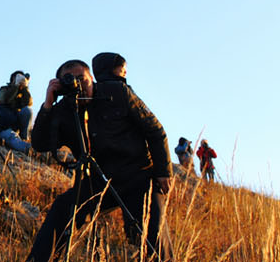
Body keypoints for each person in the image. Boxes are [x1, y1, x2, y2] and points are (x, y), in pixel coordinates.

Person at [28, 54, 172, 262]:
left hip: (138, 175)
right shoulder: (64, 111)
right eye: (70, 80)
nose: (78, 85)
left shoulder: (117, 92)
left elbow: (155, 130)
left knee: (152, 235)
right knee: (62, 208)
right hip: (99, 181)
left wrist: (163, 171)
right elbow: (40, 144)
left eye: (82, 79)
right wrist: (48, 105)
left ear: (92, 78)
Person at [0, 70, 34, 140]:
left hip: (15, 120)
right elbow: (5, 100)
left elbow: (29, 103)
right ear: (13, 79)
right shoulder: (4, 89)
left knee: (27, 110)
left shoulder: (22, 93)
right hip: (4, 119)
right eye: (17, 77)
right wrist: (15, 86)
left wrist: (25, 87)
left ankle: (24, 137)